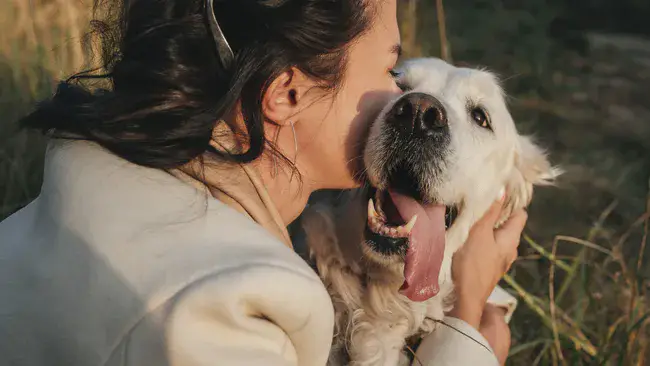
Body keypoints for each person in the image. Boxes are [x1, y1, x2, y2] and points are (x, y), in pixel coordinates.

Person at [0, 0, 527, 365]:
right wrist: (468, 334)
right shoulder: (234, 306)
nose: (410, 108)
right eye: (392, 73)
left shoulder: (73, 191)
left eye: (478, 117)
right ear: (287, 95)